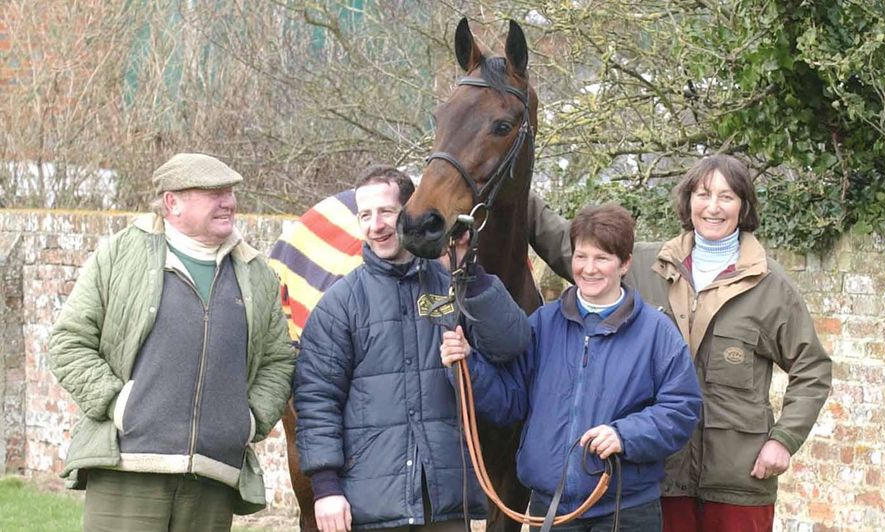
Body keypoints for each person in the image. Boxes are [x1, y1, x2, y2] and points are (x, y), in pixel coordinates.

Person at [528, 155, 832, 531]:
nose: (713, 207)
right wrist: (505, 174)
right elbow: (568, 245)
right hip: (662, 475)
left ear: (744, 206)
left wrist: (784, 440)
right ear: (688, 201)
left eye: (727, 196)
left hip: (737, 475)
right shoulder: (644, 265)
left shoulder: (769, 284)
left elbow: (812, 367)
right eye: (703, 194)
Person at [47, 153, 297, 531]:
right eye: (213, 193)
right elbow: (68, 341)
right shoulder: (120, 255)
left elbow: (279, 360)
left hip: (213, 476)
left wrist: (247, 421)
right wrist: (120, 405)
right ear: (172, 202)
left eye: (230, 192)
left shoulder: (255, 271)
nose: (228, 202)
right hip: (127, 468)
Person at [293, 165, 531, 532]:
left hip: (446, 502)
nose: (376, 225)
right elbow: (316, 400)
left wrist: (470, 270)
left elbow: (512, 344)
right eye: (365, 215)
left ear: (409, 211)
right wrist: (325, 488)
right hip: (371, 505)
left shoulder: (453, 285)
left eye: (386, 212)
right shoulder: (339, 305)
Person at [440, 203, 702, 532]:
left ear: (625, 264)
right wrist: (468, 364)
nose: (588, 269)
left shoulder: (657, 332)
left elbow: (682, 410)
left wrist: (625, 435)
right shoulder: (543, 324)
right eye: (581, 256)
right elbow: (510, 402)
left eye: (601, 258)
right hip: (550, 508)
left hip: (626, 509)